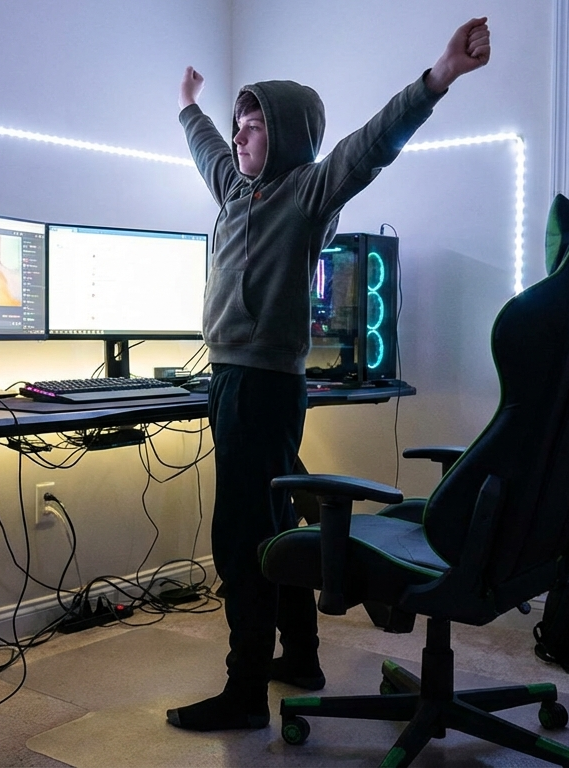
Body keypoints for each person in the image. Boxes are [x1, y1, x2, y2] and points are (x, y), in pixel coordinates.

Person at [167, 17, 492, 732]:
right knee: (277, 519)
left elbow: (369, 146)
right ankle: (302, 658)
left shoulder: (307, 193)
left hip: (262, 387)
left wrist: (439, 76)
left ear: (286, 135)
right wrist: (189, 104)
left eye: (254, 126)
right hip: (232, 382)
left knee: (241, 538)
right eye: (238, 125)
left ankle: (244, 693)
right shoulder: (233, 190)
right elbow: (206, 148)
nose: (240, 136)